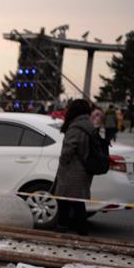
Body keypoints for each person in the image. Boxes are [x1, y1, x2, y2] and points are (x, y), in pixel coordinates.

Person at [53, 99, 99, 236]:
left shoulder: (75, 127)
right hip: (84, 169)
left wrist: (62, 160)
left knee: (67, 201)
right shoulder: (88, 125)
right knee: (75, 201)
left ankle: (65, 228)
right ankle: (78, 229)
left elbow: (68, 150)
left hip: (72, 170)